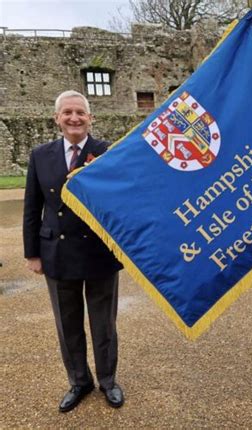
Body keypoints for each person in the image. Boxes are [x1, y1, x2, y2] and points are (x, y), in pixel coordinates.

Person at [23, 90, 124, 412]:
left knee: (103, 323)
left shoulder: (106, 152)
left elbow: (122, 203)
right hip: (57, 251)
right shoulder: (41, 155)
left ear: (90, 118)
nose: (74, 118)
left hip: (98, 253)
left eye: (80, 112)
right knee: (67, 324)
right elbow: (31, 208)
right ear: (57, 118)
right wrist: (32, 253)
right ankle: (79, 381)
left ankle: (107, 380)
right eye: (67, 112)